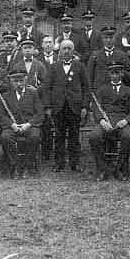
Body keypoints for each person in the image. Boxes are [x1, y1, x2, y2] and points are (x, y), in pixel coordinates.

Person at [88, 62, 130, 181]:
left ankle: (120, 169)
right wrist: (101, 121)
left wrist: (126, 121)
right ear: (109, 74)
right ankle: (102, 168)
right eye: (112, 73)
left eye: (117, 73)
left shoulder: (129, 91)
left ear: (122, 73)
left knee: (128, 136)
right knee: (94, 136)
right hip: (106, 120)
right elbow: (96, 107)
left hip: (122, 121)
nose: (115, 76)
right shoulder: (102, 90)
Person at [45, 39, 89, 172]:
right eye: (64, 48)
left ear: (73, 51)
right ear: (60, 51)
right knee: (59, 136)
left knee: (74, 136)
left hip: (74, 106)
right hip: (58, 107)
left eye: (69, 48)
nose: (66, 51)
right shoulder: (53, 67)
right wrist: (48, 107)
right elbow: (47, 87)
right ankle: (59, 163)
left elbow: (86, 88)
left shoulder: (80, 66)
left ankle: (74, 163)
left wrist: (85, 107)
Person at [0, 68, 43, 179]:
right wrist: (11, 125)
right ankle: (14, 166)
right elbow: (1, 115)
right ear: (11, 82)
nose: (18, 84)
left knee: (35, 137)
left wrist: (28, 124)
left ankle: (28, 166)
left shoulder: (33, 93)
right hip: (12, 126)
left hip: (29, 126)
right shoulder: (5, 95)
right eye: (15, 81)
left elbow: (40, 113)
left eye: (21, 80)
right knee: (5, 137)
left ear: (26, 80)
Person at [87, 27, 130, 93]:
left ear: (115, 39)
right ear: (102, 39)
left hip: (117, 91)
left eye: (111, 38)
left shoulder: (122, 55)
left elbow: (129, 75)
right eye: (106, 38)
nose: (108, 40)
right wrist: (91, 92)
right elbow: (89, 75)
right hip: (99, 91)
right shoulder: (95, 55)